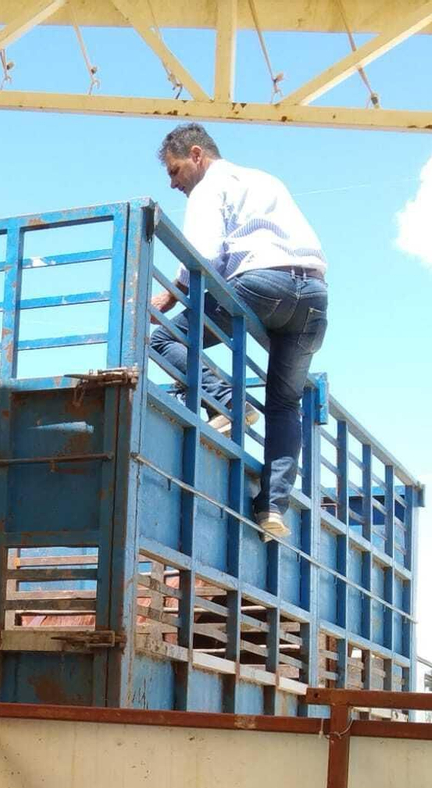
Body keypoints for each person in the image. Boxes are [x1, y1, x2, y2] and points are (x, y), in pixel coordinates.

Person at [148, 123, 328, 541]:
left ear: (196, 155)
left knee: (160, 339)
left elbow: (204, 257)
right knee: (285, 404)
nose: (175, 184)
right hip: (315, 298)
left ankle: (229, 401)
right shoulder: (266, 179)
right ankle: (272, 510)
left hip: (264, 284)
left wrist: (170, 298)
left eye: (175, 172)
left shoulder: (211, 185)